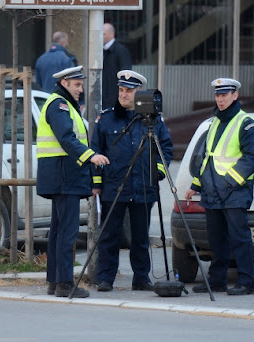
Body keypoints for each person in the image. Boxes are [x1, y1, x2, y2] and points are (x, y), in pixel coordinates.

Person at [91, 70, 173, 292]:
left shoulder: (152, 120)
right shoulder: (106, 119)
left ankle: (141, 278)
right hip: (113, 185)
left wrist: (157, 173)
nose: (124, 94)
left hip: (143, 186)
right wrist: (97, 183)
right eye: (121, 90)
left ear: (139, 92)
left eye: (129, 90)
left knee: (140, 238)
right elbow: (96, 150)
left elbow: (165, 148)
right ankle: (106, 278)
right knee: (109, 235)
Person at [36, 65, 110, 298]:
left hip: (62, 175)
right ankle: (65, 284)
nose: (81, 89)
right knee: (66, 233)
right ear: (65, 83)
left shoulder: (62, 104)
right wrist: (91, 156)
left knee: (58, 232)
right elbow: (66, 138)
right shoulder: (59, 105)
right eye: (77, 85)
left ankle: (55, 282)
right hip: (64, 176)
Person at [185, 78, 254, 296]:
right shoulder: (215, 122)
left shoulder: (245, 122)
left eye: (224, 95)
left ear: (235, 95)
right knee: (217, 240)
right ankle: (217, 281)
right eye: (218, 95)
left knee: (239, 238)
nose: (220, 99)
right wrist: (196, 185)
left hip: (234, 191)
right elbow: (208, 157)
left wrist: (230, 181)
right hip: (212, 191)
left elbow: (253, 158)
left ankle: (247, 282)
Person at [102, 23, 132, 110]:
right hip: (104, 97)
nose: (101, 37)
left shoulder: (121, 51)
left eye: (103, 34)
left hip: (115, 98)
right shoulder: (101, 51)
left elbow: (126, 75)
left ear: (112, 34)